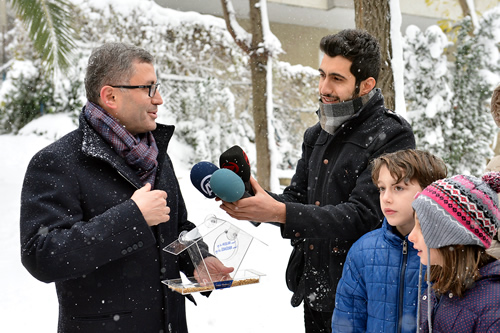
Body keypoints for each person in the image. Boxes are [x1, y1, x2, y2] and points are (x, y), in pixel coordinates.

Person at [20, 42, 231, 333]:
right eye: (148, 88)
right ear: (110, 96)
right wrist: (133, 217)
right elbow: (41, 256)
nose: (158, 99)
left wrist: (198, 258)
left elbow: (179, 225)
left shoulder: (157, 155)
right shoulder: (57, 162)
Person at [219, 29, 416, 333]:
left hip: (364, 292)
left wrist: (276, 212)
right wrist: (250, 194)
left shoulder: (392, 135)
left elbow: (363, 215)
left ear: (366, 85)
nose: (324, 87)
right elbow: (296, 199)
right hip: (315, 288)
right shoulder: (317, 134)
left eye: (337, 79)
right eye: (322, 75)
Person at [331, 149, 447, 333]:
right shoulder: (362, 251)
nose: (386, 198)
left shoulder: (445, 252)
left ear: (430, 191)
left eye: (398, 188)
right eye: (382, 188)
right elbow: (346, 323)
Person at [409, 172, 500, 332]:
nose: (411, 236)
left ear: (457, 239)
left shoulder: (492, 309)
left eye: (422, 227)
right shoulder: (438, 286)